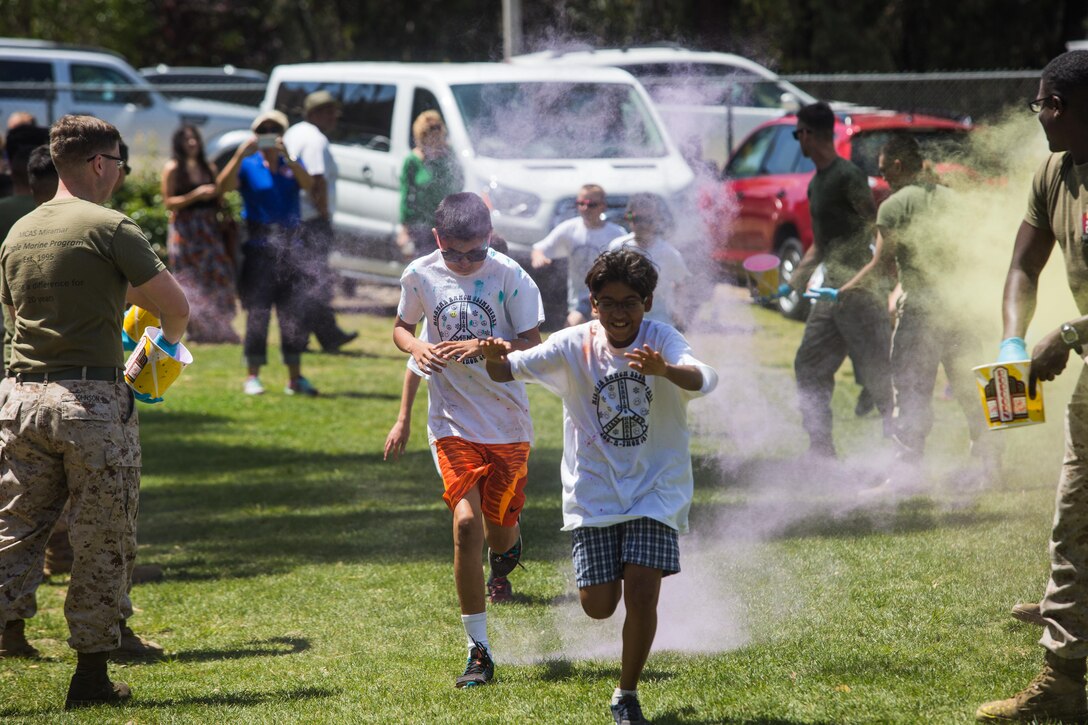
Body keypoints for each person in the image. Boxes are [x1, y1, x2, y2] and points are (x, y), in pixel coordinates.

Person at [480, 248, 718, 725]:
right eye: (608, 302)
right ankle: (620, 669)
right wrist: (492, 359)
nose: (619, 312)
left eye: (630, 302)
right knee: (598, 607)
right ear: (593, 304)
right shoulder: (573, 343)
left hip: (657, 485)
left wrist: (664, 371)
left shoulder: (661, 339)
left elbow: (705, 378)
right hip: (594, 489)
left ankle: (626, 694)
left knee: (644, 590)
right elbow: (509, 369)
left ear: (647, 303)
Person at [0, 114, 189, 708]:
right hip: (91, 402)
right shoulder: (111, 226)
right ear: (101, 164)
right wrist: (149, 364)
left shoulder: (19, 232)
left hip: (20, 399)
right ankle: (90, 678)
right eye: (120, 166)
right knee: (102, 536)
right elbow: (176, 307)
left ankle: (9, 632)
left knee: (14, 530)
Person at [975, 51, 1088, 723]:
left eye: (1050, 104)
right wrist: (1014, 339)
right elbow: (1023, 262)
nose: (1041, 115)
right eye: (1039, 103)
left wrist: (1069, 336)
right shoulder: (1054, 171)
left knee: (1077, 521)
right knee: (1075, 518)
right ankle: (1067, 662)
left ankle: (1067, 661)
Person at [393, 193, 542, 687]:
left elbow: (533, 345)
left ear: (490, 237)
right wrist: (417, 345)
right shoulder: (420, 274)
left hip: (507, 423)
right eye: (454, 253)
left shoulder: (509, 276)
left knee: (499, 531)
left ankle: (509, 548)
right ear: (438, 240)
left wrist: (485, 345)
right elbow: (401, 326)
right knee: (465, 527)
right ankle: (478, 652)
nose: (463, 262)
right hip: (451, 421)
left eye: (474, 253)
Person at [840, 135, 1000, 490]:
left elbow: (880, 264)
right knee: (970, 389)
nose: (882, 179)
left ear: (898, 166)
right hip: (960, 308)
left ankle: (907, 471)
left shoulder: (894, 206)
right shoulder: (956, 201)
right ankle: (989, 465)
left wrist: (844, 290)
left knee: (910, 391)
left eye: (883, 172)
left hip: (921, 315)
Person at [779, 101, 892, 459]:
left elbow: (877, 228)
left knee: (879, 378)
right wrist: (792, 284)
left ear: (808, 134)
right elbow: (820, 246)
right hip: (831, 294)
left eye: (798, 133)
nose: (798, 140)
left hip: (859, 291)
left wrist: (876, 276)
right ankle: (821, 450)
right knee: (808, 364)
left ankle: (902, 455)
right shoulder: (817, 184)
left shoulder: (846, 176)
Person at [217, 110, 317, 396]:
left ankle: (295, 378)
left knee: (291, 315)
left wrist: (291, 158)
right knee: (257, 313)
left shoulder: (291, 164)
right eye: (264, 130)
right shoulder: (248, 165)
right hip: (259, 250)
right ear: (255, 135)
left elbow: (309, 186)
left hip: (290, 249)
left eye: (275, 130)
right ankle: (253, 376)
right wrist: (238, 156)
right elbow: (222, 187)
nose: (270, 135)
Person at [283, 90, 357, 353]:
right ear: (313, 113)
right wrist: (324, 214)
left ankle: (322, 335)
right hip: (312, 221)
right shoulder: (315, 140)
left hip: (293, 220)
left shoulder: (294, 133)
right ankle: (306, 337)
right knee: (314, 280)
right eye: (328, 111)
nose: (334, 116)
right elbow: (317, 181)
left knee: (305, 280)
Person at [162, 125, 240, 343]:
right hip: (185, 230)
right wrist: (195, 195)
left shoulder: (209, 167)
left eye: (195, 138)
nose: (192, 143)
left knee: (218, 275)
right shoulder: (173, 168)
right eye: (187, 139)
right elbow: (169, 202)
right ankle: (197, 329)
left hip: (208, 228)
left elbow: (220, 194)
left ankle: (221, 326)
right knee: (189, 280)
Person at [531, 184, 626, 328]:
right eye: (580, 204)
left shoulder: (617, 234)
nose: (585, 208)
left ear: (603, 206)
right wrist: (538, 257)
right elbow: (539, 248)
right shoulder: (570, 229)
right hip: (580, 299)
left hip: (609, 296)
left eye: (591, 204)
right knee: (570, 329)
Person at [607, 193, 691, 328]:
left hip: (658, 316)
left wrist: (678, 310)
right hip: (623, 314)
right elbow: (605, 280)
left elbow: (681, 283)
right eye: (637, 219)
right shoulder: (617, 247)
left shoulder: (668, 253)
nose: (642, 224)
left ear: (657, 220)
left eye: (648, 219)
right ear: (628, 218)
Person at [396, 110, 463, 259]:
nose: (434, 139)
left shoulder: (449, 157)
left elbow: (459, 184)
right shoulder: (413, 161)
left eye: (436, 133)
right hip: (422, 226)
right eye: (428, 134)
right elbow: (405, 197)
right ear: (421, 137)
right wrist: (404, 229)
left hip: (447, 225)